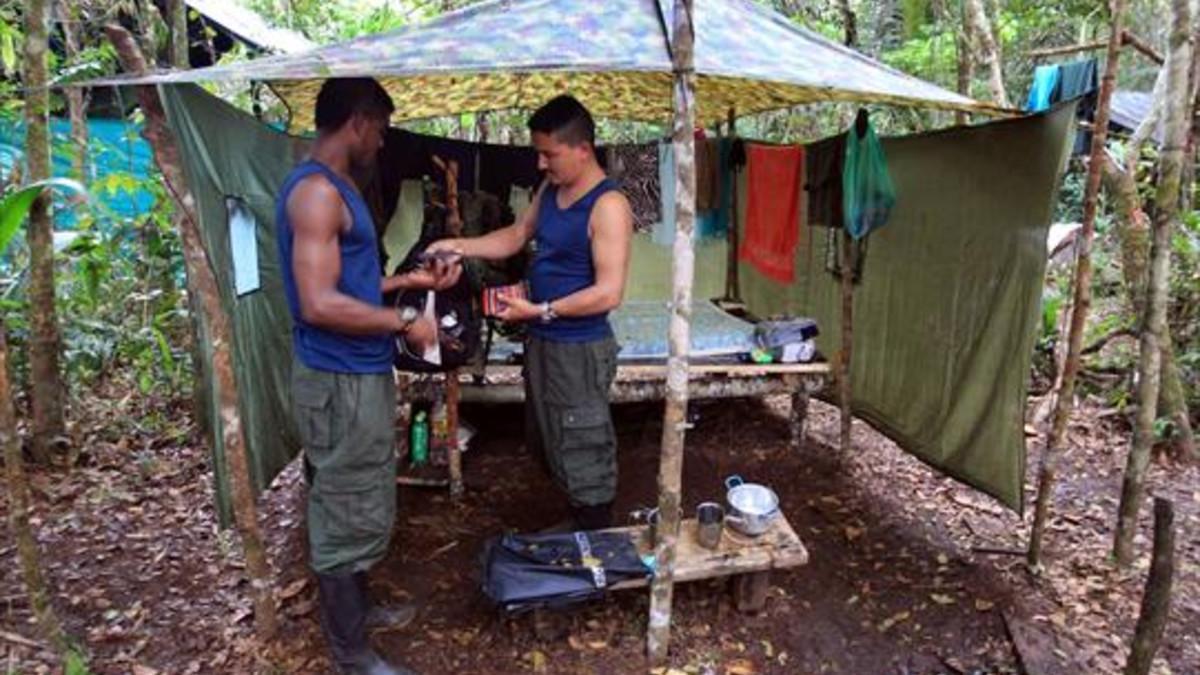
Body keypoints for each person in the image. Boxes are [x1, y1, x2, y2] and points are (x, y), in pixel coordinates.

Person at [277, 77, 460, 675]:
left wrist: (408, 284)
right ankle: (351, 653)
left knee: (358, 493)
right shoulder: (317, 194)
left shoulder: (336, 189)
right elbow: (317, 303)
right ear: (357, 122)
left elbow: (347, 284)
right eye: (380, 128)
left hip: (356, 372)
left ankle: (358, 608)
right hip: (338, 378)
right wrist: (405, 320)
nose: (383, 142)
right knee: (342, 502)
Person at [428, 95, 633, 530]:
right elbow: (517, 235)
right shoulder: (551, 189)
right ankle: (579, 520)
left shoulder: (608, 206)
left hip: (579, 349)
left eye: (549, 154)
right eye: (539, 153)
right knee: (547, 439)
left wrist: (540, 309)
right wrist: (458, 246)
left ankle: (594, 533)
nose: (540, 164)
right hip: (544, 342)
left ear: (583, 149)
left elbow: (608, 293)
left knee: (582, 442)